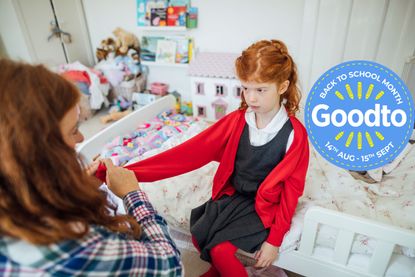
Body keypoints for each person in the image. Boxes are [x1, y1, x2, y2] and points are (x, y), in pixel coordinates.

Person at [97, 39, 309, 276]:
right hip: (235, 195)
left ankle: (221, 269)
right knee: (199, 234)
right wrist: (126, 172)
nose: (251, 98)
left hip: (264, 207)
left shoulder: (294, 135)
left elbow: (292, 190)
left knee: (220, 250)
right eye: (246, 88)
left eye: (260, 90)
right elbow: (188, 154)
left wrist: (274, 241)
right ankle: (219, 272)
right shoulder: (238, 120)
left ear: (282, 87)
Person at [0, 59, 182, 276]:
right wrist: (133, 195)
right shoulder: (76, 248)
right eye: (73, 129)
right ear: (39, 150)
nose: (81, 137)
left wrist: (71, 190)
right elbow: (170, 266)